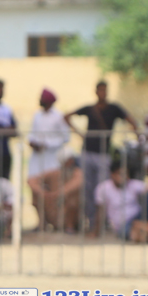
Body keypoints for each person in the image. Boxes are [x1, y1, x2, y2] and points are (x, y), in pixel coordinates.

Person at [66, 80, 137, 234]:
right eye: (100, 90)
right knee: (88, 189)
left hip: (103, 154)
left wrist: (134, 135)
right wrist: (79, 134)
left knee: (103, 189)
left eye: (105, 90)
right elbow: (67, 116)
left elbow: (132, 121)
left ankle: (104, 222)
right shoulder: (89, 109)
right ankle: (93, 222)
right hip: (87, 153)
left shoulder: (114, 108)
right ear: (96, 91)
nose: (102, 93)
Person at [27, 150, 82, 233]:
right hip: (54, 208)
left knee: (74, 196)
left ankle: (70, 226)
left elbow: (78, 182)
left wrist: (60, 193)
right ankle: (42, 224)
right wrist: (42, 193)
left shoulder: (78, 172)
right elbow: (31, 180)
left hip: (69, 211)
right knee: (35, 194)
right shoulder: (55, 173)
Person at [28, 88, 70, 178]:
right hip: (37, 156)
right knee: (34, 179)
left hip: (52, 156)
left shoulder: (58, 116)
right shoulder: (37, 115)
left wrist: (47, 144)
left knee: (50, 180)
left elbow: (66, 137)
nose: (39, 99)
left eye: (42, 97)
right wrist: (32, 141)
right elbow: (32, 132)